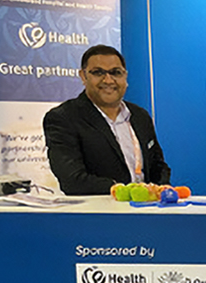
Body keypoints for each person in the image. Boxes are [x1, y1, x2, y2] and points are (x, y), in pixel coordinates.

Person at [43, 45, 170, 195]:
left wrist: (161, 189)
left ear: (125, 76)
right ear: (83, 76)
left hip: (147, 212)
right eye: (98, 72)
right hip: (100, 215)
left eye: (116, 73)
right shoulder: (63, 118)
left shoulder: (140, 116)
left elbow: (158, 166)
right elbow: (72, 180)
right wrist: (123, 192)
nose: (108, 80)